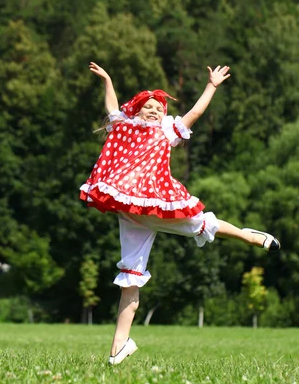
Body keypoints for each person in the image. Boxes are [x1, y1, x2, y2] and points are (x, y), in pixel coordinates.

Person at [80, 61, 280, 365]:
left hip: (159, 206)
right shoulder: (125, 127)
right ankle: (119, 347)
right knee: (130, 278)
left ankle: (246, 236)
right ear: (135, 109)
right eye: (148, 106)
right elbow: (110, 107)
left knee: (202, 224)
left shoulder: (166, 131)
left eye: (159, 108)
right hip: (131, 212)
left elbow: (195, 113)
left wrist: (211, 86)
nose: (154, 111)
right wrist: (107, 79)